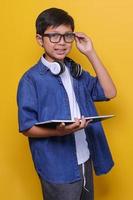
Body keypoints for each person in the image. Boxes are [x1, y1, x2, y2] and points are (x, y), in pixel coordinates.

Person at [17, 7, 117, 200]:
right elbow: (27, 127)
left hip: (85, 158)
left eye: (67, 36)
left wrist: (90, 53)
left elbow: (109, 92)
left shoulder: (76, 72)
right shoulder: (30, 80)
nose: (61, 43)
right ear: (40, 40)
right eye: (54, 36)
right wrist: (59, 132)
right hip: (57, 168)